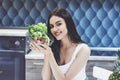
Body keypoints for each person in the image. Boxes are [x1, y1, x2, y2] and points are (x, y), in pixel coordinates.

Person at [30, 8, 90, 80]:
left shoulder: (83, 49)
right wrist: (46, 54)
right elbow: (46, 78)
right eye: (51, 26)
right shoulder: (54, 48)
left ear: (68, 24)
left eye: (59, 24)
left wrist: (49, 54)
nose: (54, 29)